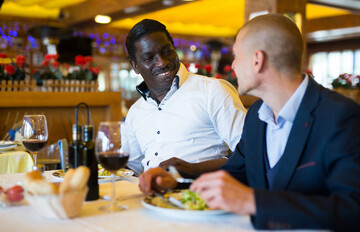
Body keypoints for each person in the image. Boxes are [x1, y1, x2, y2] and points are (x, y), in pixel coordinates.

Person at [138, 14, 360, 231]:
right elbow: (236, 175)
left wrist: (254, 202)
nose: (233, 65)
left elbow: (353, 210)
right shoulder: (256, 117)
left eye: (236, 56)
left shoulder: (340, 116)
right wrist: (177, 182)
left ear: (257, 60)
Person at [123, 19, 247, 175]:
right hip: (150, 197)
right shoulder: (135, 112)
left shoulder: (213, 91)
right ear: (135, 66)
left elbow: (250, 153)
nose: (161, 62)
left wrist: (195, 169)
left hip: (200, 195)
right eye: (149, 58)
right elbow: (131, 167)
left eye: (167, 51)